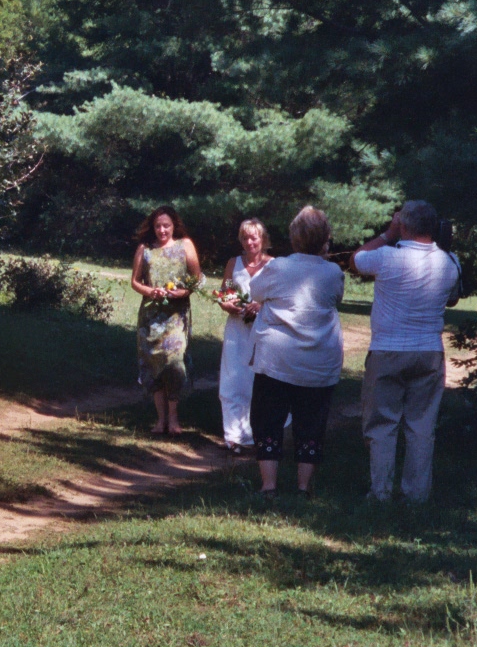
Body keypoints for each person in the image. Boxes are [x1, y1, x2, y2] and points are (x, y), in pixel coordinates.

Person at [352, 201, 461, 504]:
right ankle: (416, 495)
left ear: (403, 224)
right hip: (429, 351)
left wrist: (388, 233)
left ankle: (381, 492)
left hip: (388, 349)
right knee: (422, 426)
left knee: (382, 425)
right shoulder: (450, 262)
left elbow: (356, 259)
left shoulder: (386, 256)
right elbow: (452, 299)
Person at [245, 206, 344, 495]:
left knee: (267, 420)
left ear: (294, 236)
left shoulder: (278, 267)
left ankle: (269, 485)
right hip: (319, 360)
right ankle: (303, 487)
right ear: (325, 239)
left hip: (276, 359)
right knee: (311, 423)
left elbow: (255, 291)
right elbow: (336, 297)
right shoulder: (333, 272)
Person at [130, 205, 203, 434]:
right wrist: (150, 291)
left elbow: (198, 278)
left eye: (166, 226)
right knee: (154, 366)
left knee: (174, 362)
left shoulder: (185, 245)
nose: (162, 230)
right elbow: (135, 281)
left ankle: (174, 417)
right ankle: (161, 420)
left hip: (176, 316)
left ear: (174, 226)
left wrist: (184, 292)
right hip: (150, 318)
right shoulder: (145, 248)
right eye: (158, 226)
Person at [216, 218, 275, 453]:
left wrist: (260, 306)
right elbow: (223, 293)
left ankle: (256, 432)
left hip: (263, 330)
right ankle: (232, 436)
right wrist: (227, 304)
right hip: (236, 328)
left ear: (263, 239)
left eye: (254, 237)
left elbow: (279, 298)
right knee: (233, 379)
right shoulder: (233, 263)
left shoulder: (274, 265)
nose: (250, 242)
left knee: (257, 380)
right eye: (245, 238)